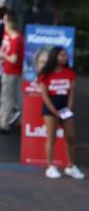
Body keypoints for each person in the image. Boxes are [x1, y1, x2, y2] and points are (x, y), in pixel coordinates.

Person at [38, 47, 85, 180]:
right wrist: (54, 111)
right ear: (55, 57)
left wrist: (68, 108)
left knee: (71, 137)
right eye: (62, 55)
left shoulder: (70, 73)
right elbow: (45, 96)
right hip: (50, 109)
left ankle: (71, 166)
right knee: (51, 138)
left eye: (65, 55)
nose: (64, 58)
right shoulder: (45, 74)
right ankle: (50, 167)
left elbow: (71, 93)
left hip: (66, 109)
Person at [0, 10, 24, 133]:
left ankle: (4, 123)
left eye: (6, 20)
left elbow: (14, 58)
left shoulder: (16, 38)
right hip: (6, 70)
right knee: (4, 97)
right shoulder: (8, 35)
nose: (3, 23)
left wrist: (2, 55)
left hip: (12, 71)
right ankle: (0, 121)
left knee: (8, 98)